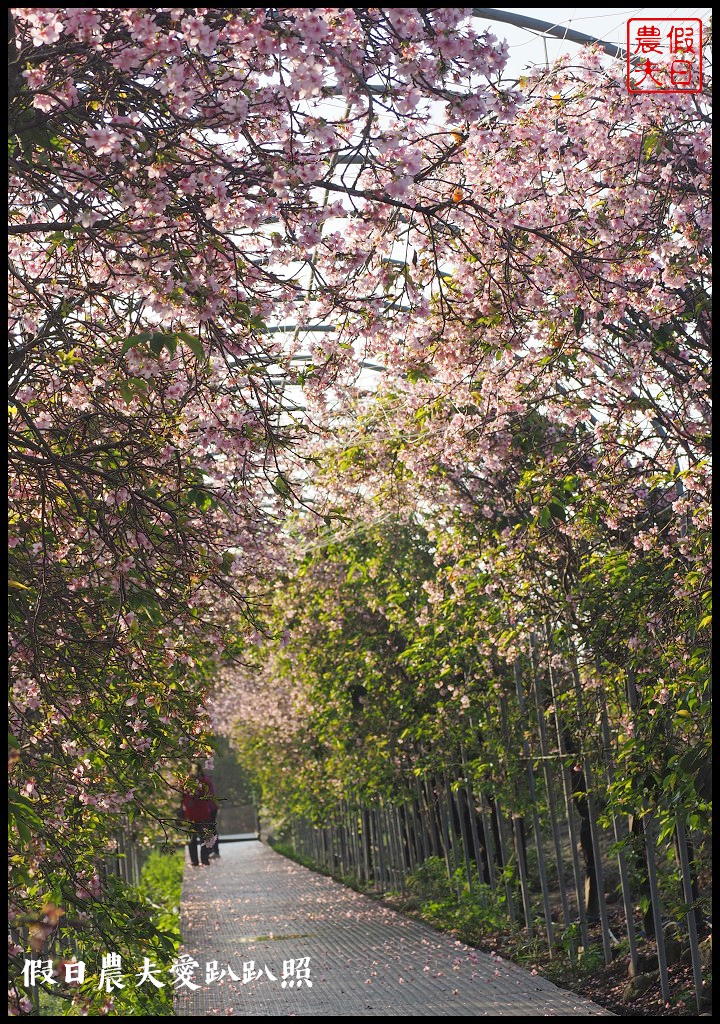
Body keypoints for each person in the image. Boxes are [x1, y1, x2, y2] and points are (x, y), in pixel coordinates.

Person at [181, 765, 219, 866]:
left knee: (195, 838)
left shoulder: (188, 783)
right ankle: (203, 860)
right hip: (200, 813)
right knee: (202, 837)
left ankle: (196, 861)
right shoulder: (202, 781)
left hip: (193, 813)